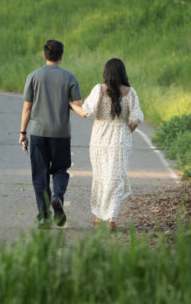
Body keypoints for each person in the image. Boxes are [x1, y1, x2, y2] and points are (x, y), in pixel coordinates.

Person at [19, 39, 84, 228]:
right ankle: (57, 196)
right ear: (61, 57)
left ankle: (44, 216)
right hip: (61, 133)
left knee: (40, 174)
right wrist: (66, 102)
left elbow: (27, 108)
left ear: (44, 55)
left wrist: (23, 132)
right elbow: (79, 106)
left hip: (38, 133)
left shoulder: (33, 76)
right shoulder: (69, 77)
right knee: (60, 170)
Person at [81, 58, 144, 229]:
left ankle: (98, 216)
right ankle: (111, 217)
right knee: (116, 179)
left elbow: (87, 111)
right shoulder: (131, 93)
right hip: (121, 140)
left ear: (106, 73)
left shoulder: (99, 90)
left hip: (99, 140)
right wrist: (125, 132)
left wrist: (72, 104)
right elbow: (136, 119)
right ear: (123, 73)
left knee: (101, 177)